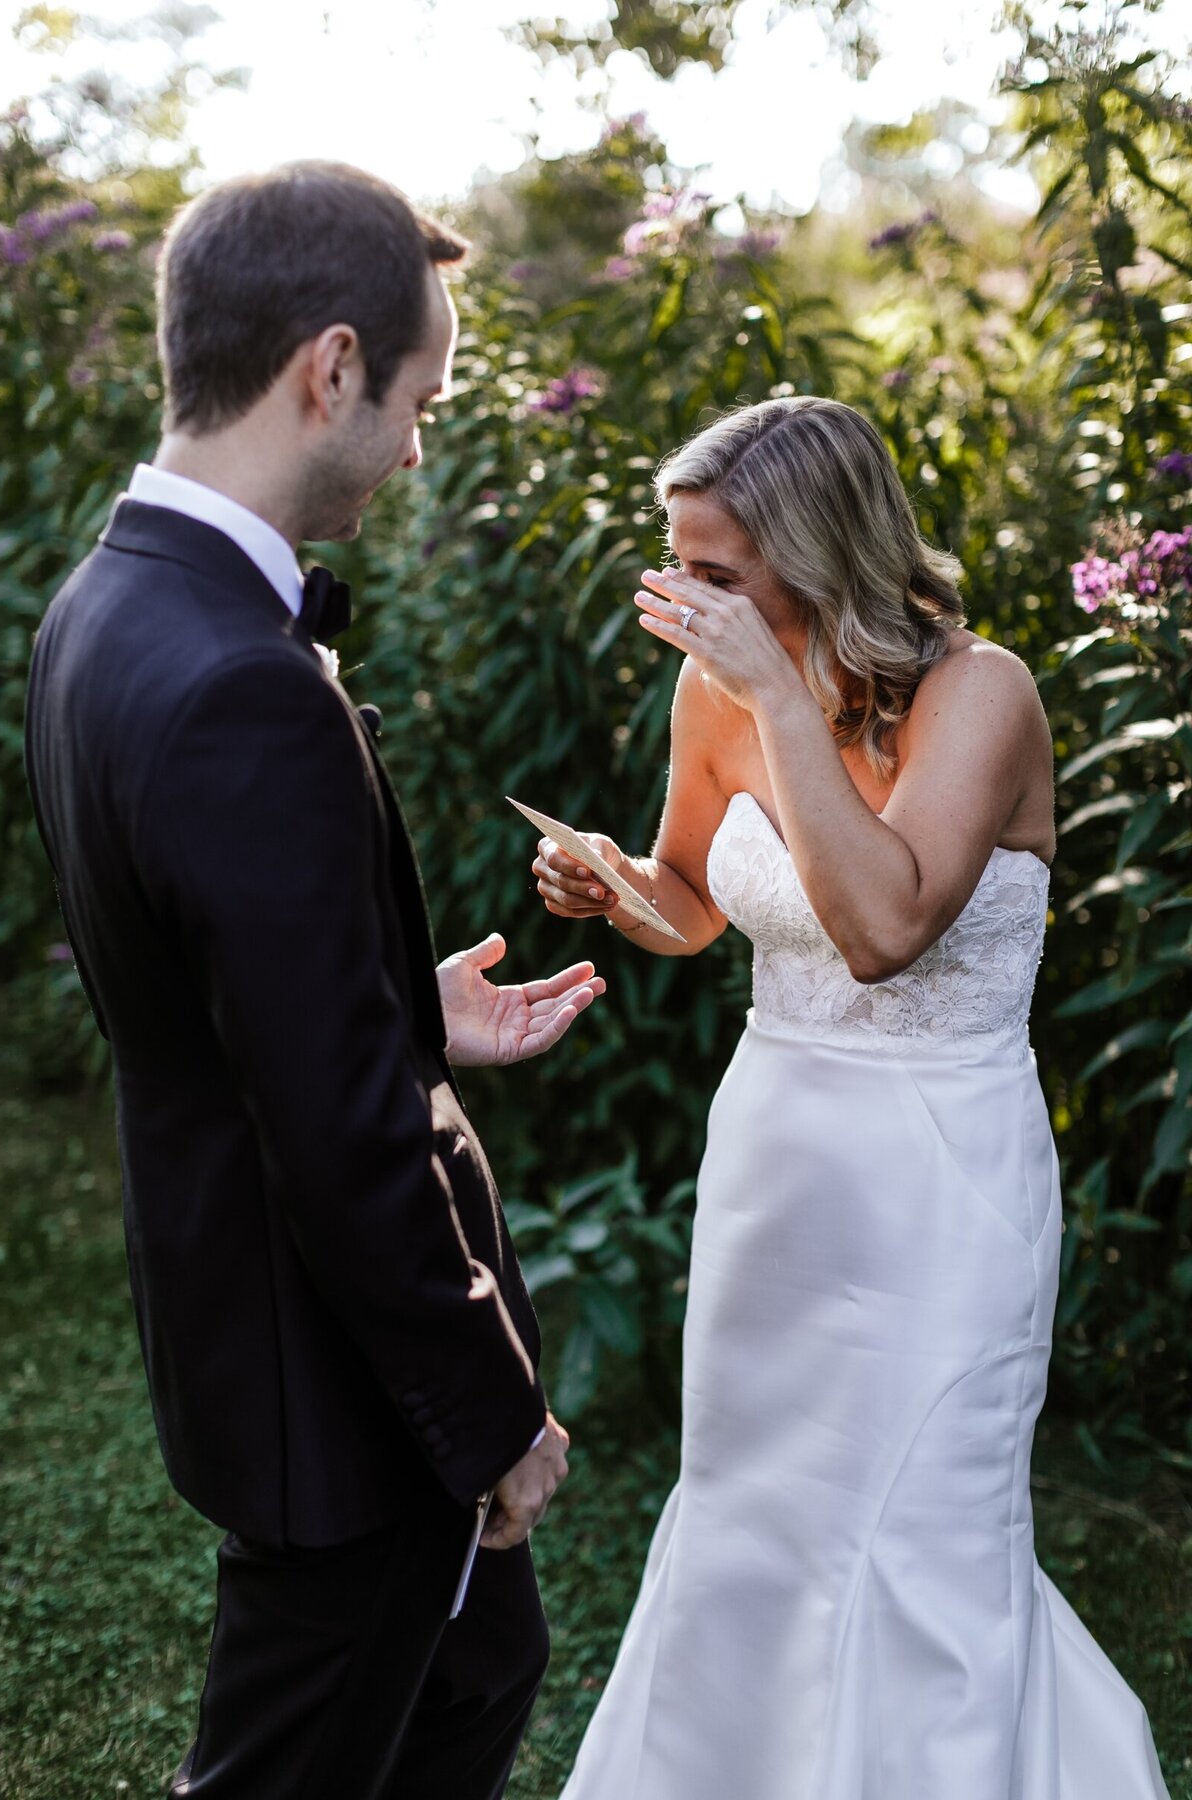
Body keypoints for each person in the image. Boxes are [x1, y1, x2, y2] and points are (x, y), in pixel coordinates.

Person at [24, 161, 604, 1800]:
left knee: (483, 1670)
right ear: (329, 369)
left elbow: (208, 981)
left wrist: (396, 1003)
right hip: (331, 1385)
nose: (421, 443)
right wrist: (490, 1416)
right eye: (420, 396)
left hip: (243, 1325)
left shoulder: (101, 608)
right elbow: (345, 1145)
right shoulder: (240, 683)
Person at [533, 396, 1170, 1800]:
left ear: (820, 555)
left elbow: (885, 931)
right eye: (678, 565)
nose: (688, 603)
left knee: (929, 1539)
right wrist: (618, 890)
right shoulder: (721, 690)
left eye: (719, 575)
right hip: (779, 1164)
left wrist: (770, 693)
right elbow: (701, 898)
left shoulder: (980, 692)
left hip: (943, 1175)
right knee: (753, 1522)